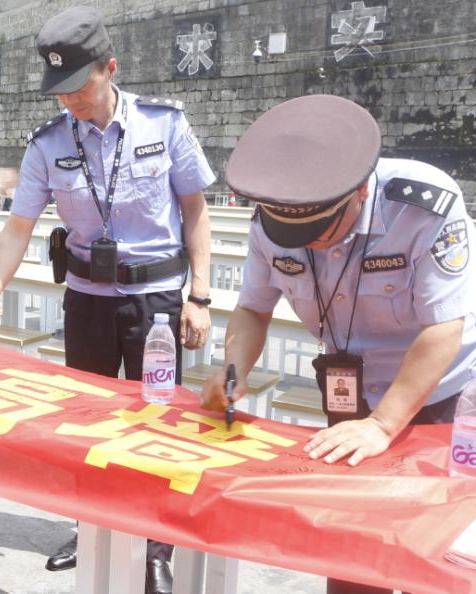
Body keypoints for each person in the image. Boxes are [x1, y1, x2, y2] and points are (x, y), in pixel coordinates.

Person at [0, 6, 215, 591]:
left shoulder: (164, 124)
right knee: (87, 423)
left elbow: (196, 210)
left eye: (78, 87)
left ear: (109, 68)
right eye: (59, 90)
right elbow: (16, 230)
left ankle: (155, 544)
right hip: (87, 301)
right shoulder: (47, 143)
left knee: (156, 422)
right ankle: (91, 527)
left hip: (155, 304)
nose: (70, 100)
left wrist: (201, 296)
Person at [199, 94, 476, 594]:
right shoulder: (272, 218)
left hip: (443, 400)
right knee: (353, 553)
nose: (307, 241)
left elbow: (442, 328)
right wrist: (233, 369)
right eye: (291, 231)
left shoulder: (422, 205)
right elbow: (254, 309)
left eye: (319, 228)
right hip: (351, 400)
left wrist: (383, 424)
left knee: (434, 555)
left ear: (360, 190)